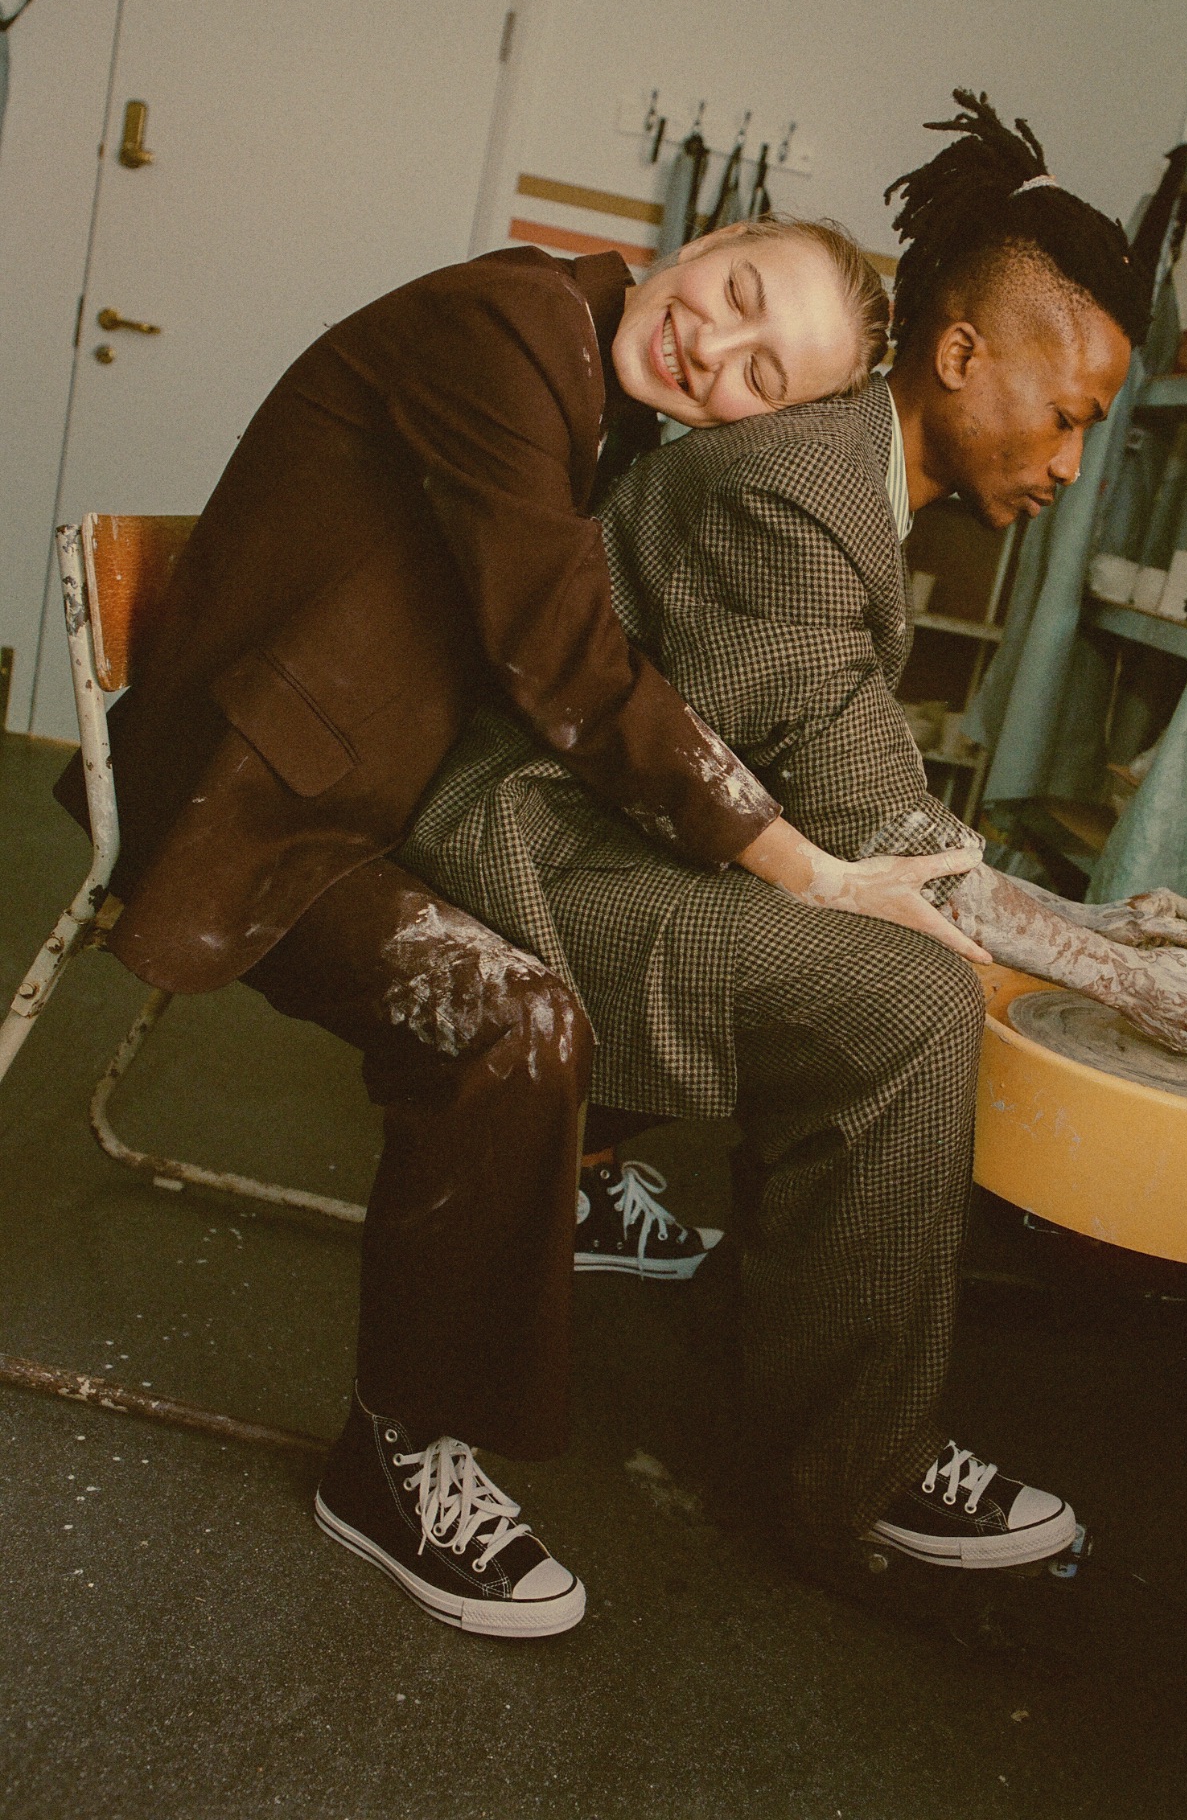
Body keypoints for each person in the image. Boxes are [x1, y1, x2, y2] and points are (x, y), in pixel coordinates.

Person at [404, 94, 1187, 1599]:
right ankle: (855, 1473)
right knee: (907, 998)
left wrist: (1096, 932)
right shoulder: (799, 486)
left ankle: (765, 1340)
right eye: (1068, 414)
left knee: (889, 951)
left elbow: (848, 788)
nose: (1069, 463)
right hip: (521, 848)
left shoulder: (847, 476)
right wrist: (1134, 980)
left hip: (606, 826)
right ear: (958, 357)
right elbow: (874, 817)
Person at [55, 219, 988, 1641]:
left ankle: (578, 1190)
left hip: (369, 775)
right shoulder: (510, 330)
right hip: (248, 799)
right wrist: (792, 858)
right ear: (703, 241)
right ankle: (398, 1453)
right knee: (516, 1013)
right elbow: (560, 646)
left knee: (673, 929)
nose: (714, 350)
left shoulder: (612, 402)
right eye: (735, 295)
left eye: (760, 377)